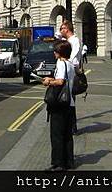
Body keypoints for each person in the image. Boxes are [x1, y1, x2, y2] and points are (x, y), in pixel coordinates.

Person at [42, 39, 75, 171]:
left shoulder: (61, 63)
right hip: (69, 103)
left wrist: (48, 82)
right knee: (67, 134)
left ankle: (58, 163)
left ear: (60, 52)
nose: (54, 53)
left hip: (59, 104)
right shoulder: (70, 64)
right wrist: (52, 79)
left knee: (56, 134)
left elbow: (60, 82)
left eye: (56, 50)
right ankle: (68, 162)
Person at [60, 20, 81, 135]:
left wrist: (64, 61)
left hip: (71, 72)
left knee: (70, 100)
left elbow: (74, 58)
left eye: (62, 28)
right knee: (66, 99)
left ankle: (73, 127)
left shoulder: (74, 40)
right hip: (67, 72)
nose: (61, 30)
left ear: (67, 29)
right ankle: (69, 125)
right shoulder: (67, 40)